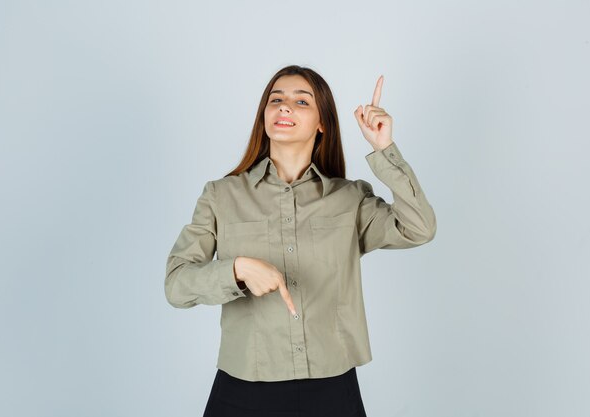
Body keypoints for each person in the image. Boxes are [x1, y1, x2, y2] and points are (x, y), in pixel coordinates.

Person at [164, 64, 437, 416]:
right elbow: (176, 284)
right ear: (264, 115)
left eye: (301, 101)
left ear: (322, 122)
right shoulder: (221, 196)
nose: (284, 106)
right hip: (242, 388)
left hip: (331, 387)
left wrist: (384, 148)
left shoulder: (349, 199)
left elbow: (419, 227)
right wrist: (236, 270)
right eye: (275, 99)